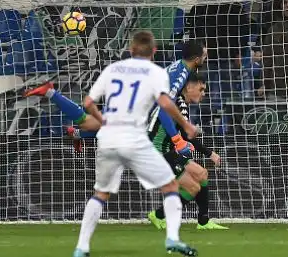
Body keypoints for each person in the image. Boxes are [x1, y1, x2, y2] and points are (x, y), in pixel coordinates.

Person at [72, 31, 198, 257]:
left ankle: (81, 248)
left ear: (131, 50)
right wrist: (185, 126)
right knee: (170, 186)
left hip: (108, 139)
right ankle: (172, 238)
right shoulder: (156, 72)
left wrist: (102, 121)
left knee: (100, 194)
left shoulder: (112, 70)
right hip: (135, 140)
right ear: (154, 52)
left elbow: (88, 102)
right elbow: (164, 103)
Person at [23, 40, 207, 151]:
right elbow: (164, 108)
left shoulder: (180, 67)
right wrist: (177, 140)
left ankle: (76, 133)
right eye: (205, 55)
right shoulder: (181, 74)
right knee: (93, 123)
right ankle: (51, 92)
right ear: (197, 59)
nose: (206, 57)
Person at [147, 73, 228, 230]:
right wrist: (210, 153)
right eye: (201, 89)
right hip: (157, 153)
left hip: (166, 151)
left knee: (202, 174)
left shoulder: (178, 101)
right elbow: (187, 136)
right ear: (189, 87)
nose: (204, 93)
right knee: (193, 188)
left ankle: (203, 221)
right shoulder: (179, 103)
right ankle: (159, 215)